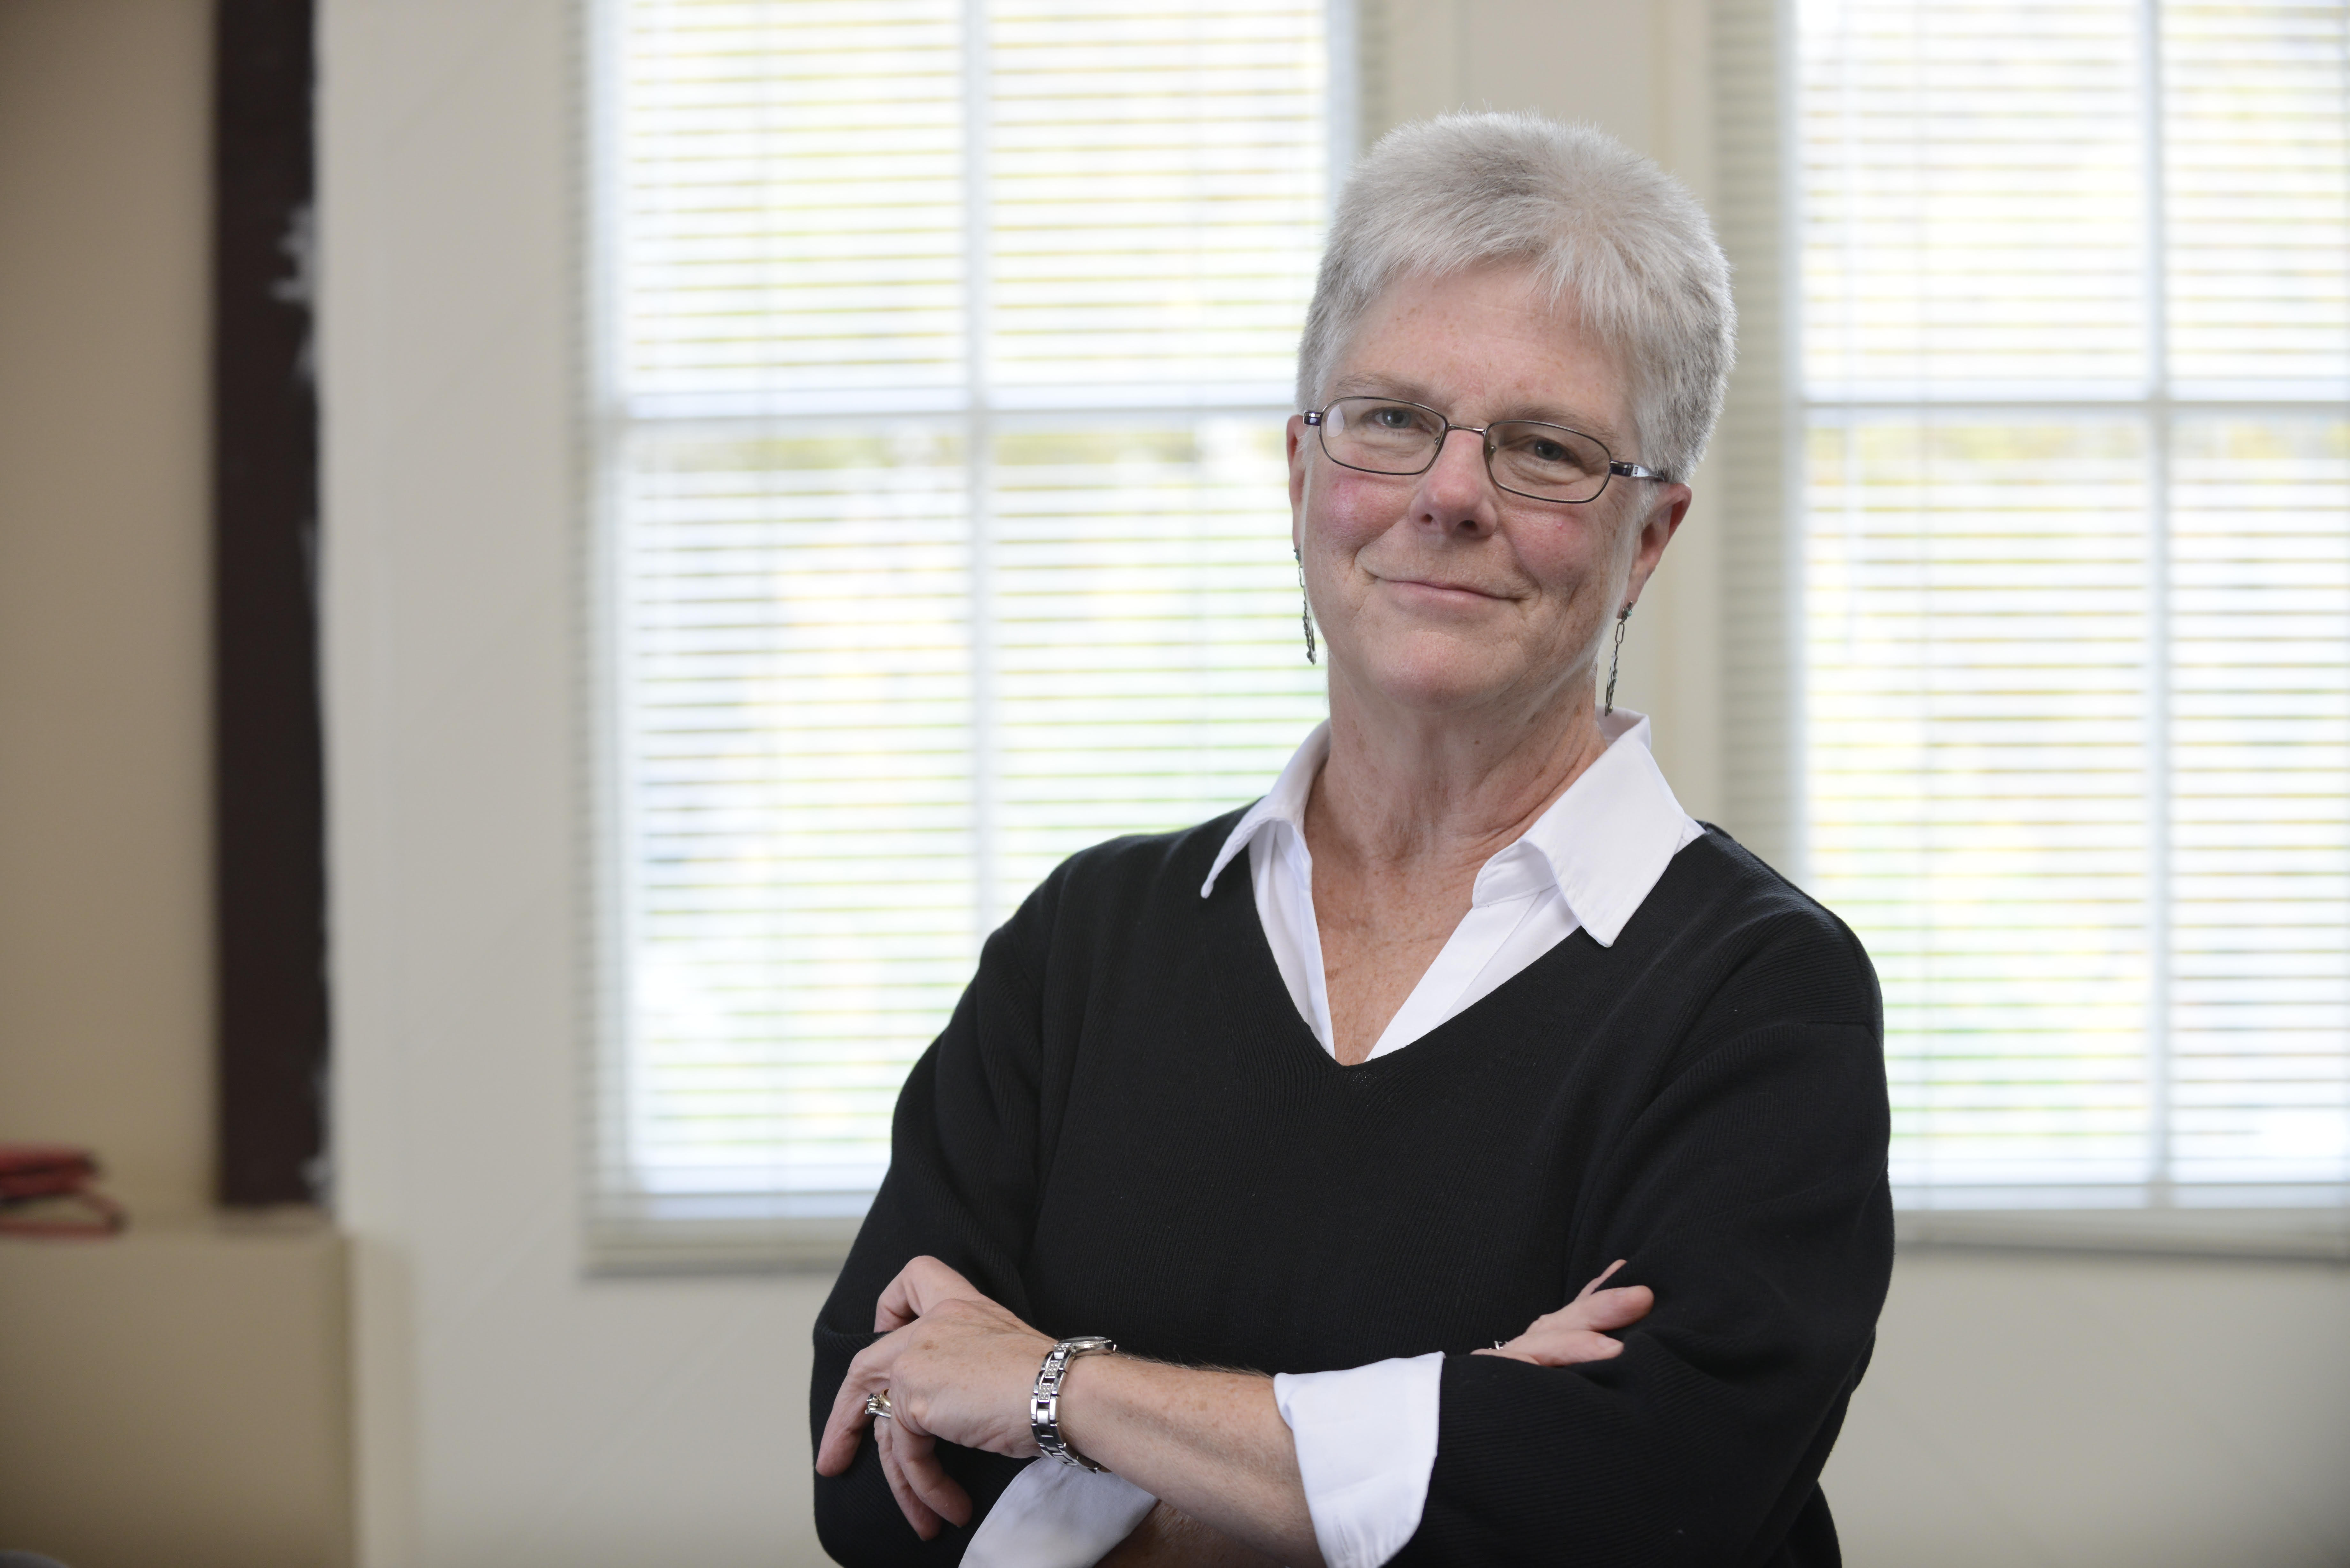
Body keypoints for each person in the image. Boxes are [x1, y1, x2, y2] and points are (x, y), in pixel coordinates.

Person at [810, 111, 1893, 1568]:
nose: (1450, 495)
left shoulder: (1761, 995)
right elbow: (879, 1483)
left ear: (1647, 540)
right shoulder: (1084, 946)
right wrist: (1438, 1444)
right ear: (1301, 474)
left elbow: (1643, 1510)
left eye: (1548, 448)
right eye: (1389, 419)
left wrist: (1062, 1396)